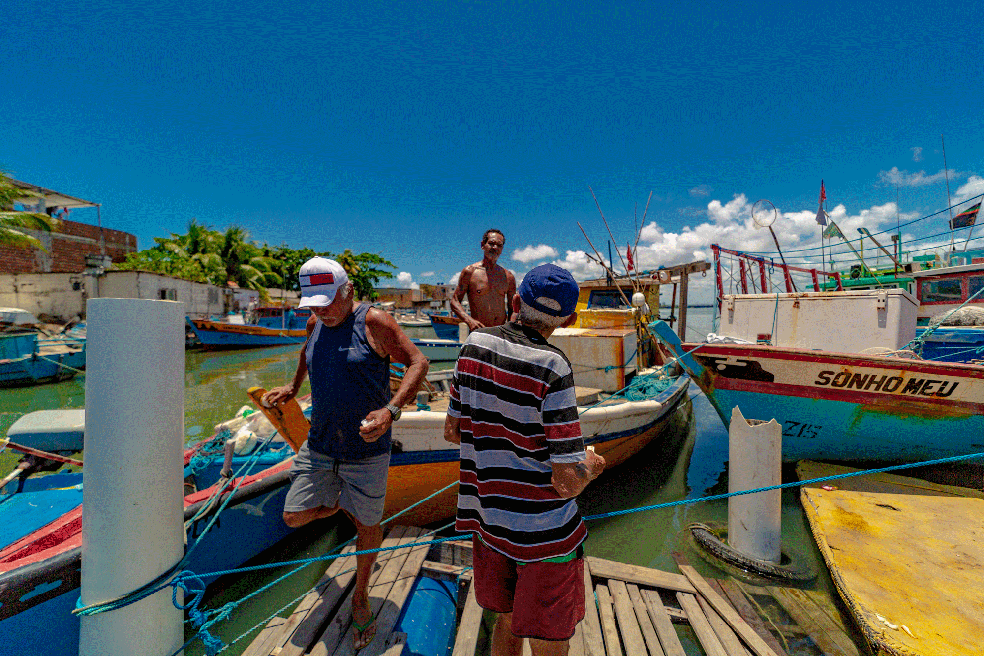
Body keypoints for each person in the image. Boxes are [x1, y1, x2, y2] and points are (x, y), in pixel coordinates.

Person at [263, 256, 428, 651]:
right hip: (320, 444)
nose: (321, 311)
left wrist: (391, 410)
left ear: (348, 290)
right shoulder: (315, 321)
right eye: (313, 304)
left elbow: (418, 362)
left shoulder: (375, 322)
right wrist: (292, 386)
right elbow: (307, 352)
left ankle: (360, 596)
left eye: (327, 301)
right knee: (294, 516)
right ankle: (340, 502)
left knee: (368, 527)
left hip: (366, 450)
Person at [443, 263, 606, 656]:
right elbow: (566, 483)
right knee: (550, 638)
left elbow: (452, 431)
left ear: (515, 301)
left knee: (507, 620)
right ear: (569, 319)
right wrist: (593, 463)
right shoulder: (553, 367)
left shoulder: (472, 347)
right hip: (546, 537)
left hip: (490, 527)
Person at [449, 228, 517, 331]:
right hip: (478, 332)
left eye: (499, 245)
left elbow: (513, 308)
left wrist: (510, 328)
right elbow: (455, 301)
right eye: (491, 243)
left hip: (500, 333)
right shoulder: (470, 272)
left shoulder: (508, 277)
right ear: (482, 245)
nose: (495, 247)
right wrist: (469, 321)